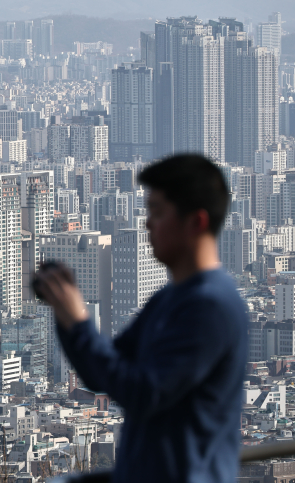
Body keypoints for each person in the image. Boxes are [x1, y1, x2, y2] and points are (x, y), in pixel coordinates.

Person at [34, 154, 248, 482]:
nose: (148, 223)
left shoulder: (210, 307)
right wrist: (65, 313)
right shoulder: (171, 298)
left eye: (158, 212)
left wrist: (78, 322)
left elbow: (142, 392)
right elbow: (103, 372)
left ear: (196, 222)